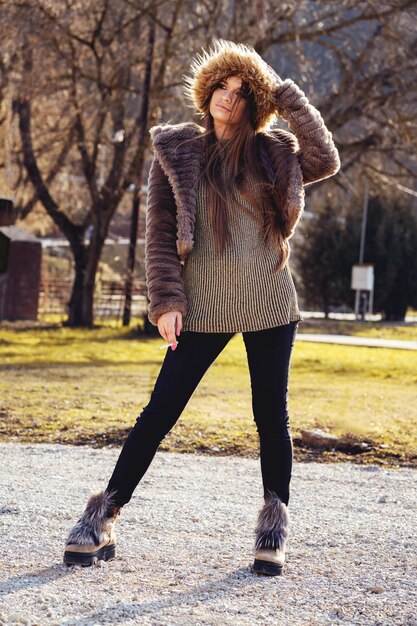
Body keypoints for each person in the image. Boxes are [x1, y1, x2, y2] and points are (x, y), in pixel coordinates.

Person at [63, 38, 341, 576]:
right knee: (159, 412)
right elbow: (160, 234)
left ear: (256, 104)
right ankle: (101, 517)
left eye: (242, 92)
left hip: (268, 304)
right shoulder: (177, 151)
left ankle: (272, 529)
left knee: (270, 417)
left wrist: (282, 92)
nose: (228, 99)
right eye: (221, 86)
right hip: (205, 305)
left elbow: (325, 159)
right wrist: (166, 299)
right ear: (206, 89)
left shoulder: (275, 152)